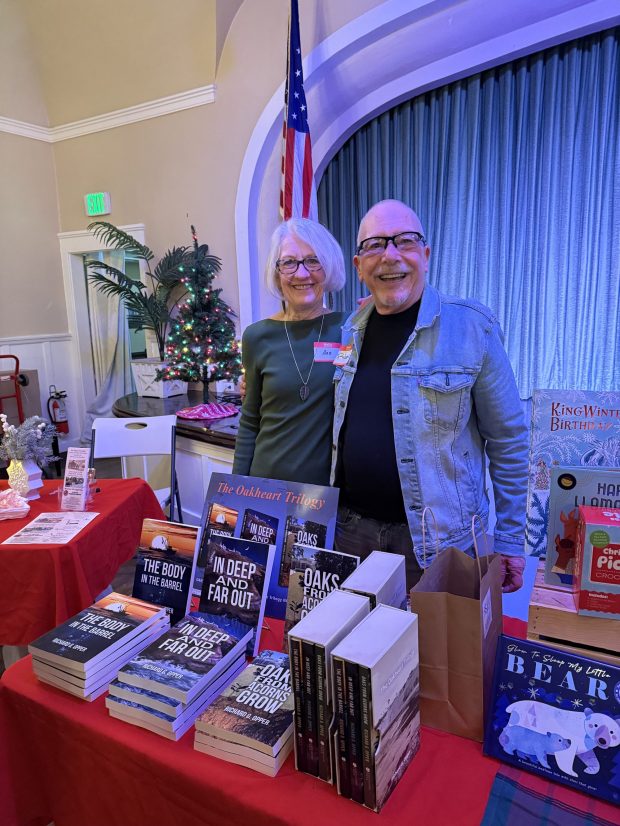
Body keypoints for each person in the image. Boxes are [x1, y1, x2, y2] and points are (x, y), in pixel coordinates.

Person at [331, 199, 528, 593]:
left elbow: (508, 440)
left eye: (404, 241)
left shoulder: (473, 328)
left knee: (441, 654)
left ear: (425, 254)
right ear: (359, 266)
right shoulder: (349, 331)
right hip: (351, 535)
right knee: (361, 652)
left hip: (439, 544)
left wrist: (509, 538)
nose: (389, 256)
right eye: (374, 245)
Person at [233, 218, 347, 486]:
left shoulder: (350, 329)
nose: (302, 273)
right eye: (289, 262)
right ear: (276, 272)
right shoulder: (257, 336)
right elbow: (250, 422)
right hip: (266, 486)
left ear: (328, 267)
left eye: (312, 260)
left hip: (326, 494)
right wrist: (235, 489)